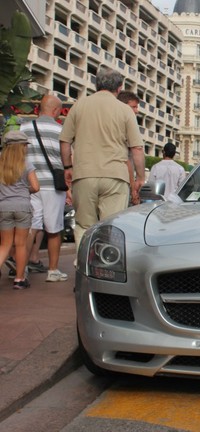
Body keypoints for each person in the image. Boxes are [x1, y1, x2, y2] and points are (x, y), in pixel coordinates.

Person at [59, 66, 146, 248]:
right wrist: (140, 178)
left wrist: (68, 168)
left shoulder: (79, 106)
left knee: (84, 226)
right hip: (115, 176)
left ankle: (83, 268)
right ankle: (108, 270)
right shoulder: (125, 110)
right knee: (112, 227)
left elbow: (65, 141)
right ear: (119, 87)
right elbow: (136, 148)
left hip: (84, 174)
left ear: (97, 84)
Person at [20, 94, 69, 282]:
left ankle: (21, 270)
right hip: (53, 186)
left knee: (31, 227)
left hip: (30, 185)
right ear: (56, 110)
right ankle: (53, 270)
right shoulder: (61, 131)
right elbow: (67, 159)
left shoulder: (24, 128)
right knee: (53, 229)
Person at [0, 131, 40, 289]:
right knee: (21, 244)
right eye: (25, 145)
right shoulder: (26, 164)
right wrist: (25, 191)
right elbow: (36, 187)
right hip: (22, 207)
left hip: (3, 207)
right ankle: (19, 279)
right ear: (21, 147)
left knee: (5, 244)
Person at [116, 90, 142, 205]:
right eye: (134, 107)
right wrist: (134, 187)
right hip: (119, 183)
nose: (136, 111)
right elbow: (127, 160)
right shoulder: (125, 127)